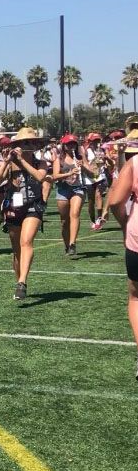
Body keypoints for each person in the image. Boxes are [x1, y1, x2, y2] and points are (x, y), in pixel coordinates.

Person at [0, 128, 48, 300]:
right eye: (24, 142)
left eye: (31, 142)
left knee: (26, 241)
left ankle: (22, 281)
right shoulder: (11, 163)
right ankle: (19, 282)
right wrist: (7, 162)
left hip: (33, 205)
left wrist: (22, 161)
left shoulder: (41, 163)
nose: (28, 145)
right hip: (14, 207)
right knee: (17, 250)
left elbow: (39, 177)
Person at [106, 122, 138, 380]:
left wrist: (124, 222)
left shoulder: (134, 164)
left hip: (137, 237)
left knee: (136, 298)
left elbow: (116, 200)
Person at [53, 134, 90, 257]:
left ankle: (73, 243)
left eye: (73, 143)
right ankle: (67, 245)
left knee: (75, 214)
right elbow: (55, 176)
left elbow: (92, 172)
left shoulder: (80, 157)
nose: (71, 146)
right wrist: (69, 173)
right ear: (64, 145)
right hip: (63, 189)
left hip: (78, 188)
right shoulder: (59, 159)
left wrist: (83, 166)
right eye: (69, 144)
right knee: (64, 221)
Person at [85, 132, 110, 230]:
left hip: (100, 176)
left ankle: (99, 218)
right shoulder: (87, 151)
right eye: (94, 141)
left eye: (98, 140)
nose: (96, 143)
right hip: (89, 177)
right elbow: (85, 163)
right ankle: (92, 220)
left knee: (98, 195)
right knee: (91, 201)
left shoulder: (102, 150)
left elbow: (107, 160)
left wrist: (106, 160)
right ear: (90, 142)